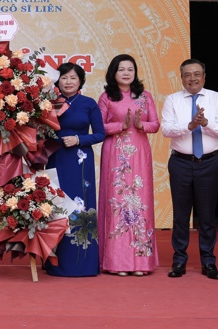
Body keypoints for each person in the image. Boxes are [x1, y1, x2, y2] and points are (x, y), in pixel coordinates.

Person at [160, 59, 218, 280]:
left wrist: (204, 123)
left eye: (197, 74)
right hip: (180, 162)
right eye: (188, 75)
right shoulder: (172, 100)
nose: (193, 78)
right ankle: (179, 260)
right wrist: (189, 126)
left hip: (208, 163)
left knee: (207, 215)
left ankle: (208, 261)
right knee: (181, 215)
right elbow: (167, 130)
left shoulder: (217, 98)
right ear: (181, 78)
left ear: (204, 76)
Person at [97, 54, 160, 276]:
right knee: (117, 203)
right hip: (116, 153)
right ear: (113, 73)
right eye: (121, 69)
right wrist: (119, 126)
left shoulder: (145, 97)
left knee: (140, 203)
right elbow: (98, 128)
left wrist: (139, 124)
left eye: (130, 69)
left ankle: (141, 263)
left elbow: (155, 124)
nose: (126, 73)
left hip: (140, 152)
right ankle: (117, 262)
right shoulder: (106, 97)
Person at [44, 62, 105, 277]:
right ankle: (54, 261)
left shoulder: (88, 104)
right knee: (56, 206)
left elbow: (100, 134)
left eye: (73, 78)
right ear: (57, 81)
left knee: (80, 206)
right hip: (55, 159)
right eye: (64, 78)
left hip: (80, 161)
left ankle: (83, 263)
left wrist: (79, 139)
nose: (68, 82)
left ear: (80, 81)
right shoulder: (49, 103)